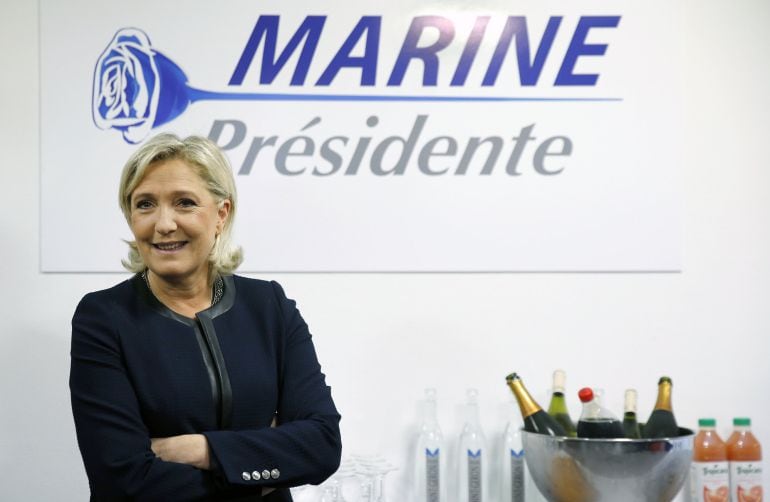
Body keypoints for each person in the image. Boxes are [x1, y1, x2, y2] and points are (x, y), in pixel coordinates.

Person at [69, 133, 341, 501]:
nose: (163, 224)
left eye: (184, 203)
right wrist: (264, 463)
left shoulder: (269, 306)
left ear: (221, 214)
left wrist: (201, 450)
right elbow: (122, 479)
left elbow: (322, 444)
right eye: (145, 204)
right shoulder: (103, 319)